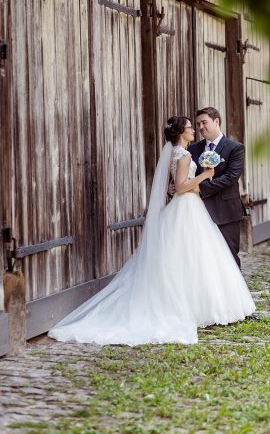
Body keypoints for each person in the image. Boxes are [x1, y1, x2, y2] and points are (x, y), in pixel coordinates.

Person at [48, 116, 256, 346]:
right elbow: (181, 187)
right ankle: (195, 307)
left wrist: (184, 184)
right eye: (190, 127)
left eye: (198, 125)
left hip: (190, 206)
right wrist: (205, 176)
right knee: (193, 256)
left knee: (188, 256)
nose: (195, 131)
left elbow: (179, 184)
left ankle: (199, 304)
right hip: (187, 206)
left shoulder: (180, 152)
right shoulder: (185, 153)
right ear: (181, 133)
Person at [188, 107, 245, 269]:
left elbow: (230, 178)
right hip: (200, 210)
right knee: (204, 256)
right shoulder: (193, 149)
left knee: (229, 253)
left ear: (216, 121)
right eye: (198, 124)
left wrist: (200, 188)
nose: (200, 127)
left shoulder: (235, 148)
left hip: (226, 210)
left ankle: (235, 292)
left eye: (204, 122)